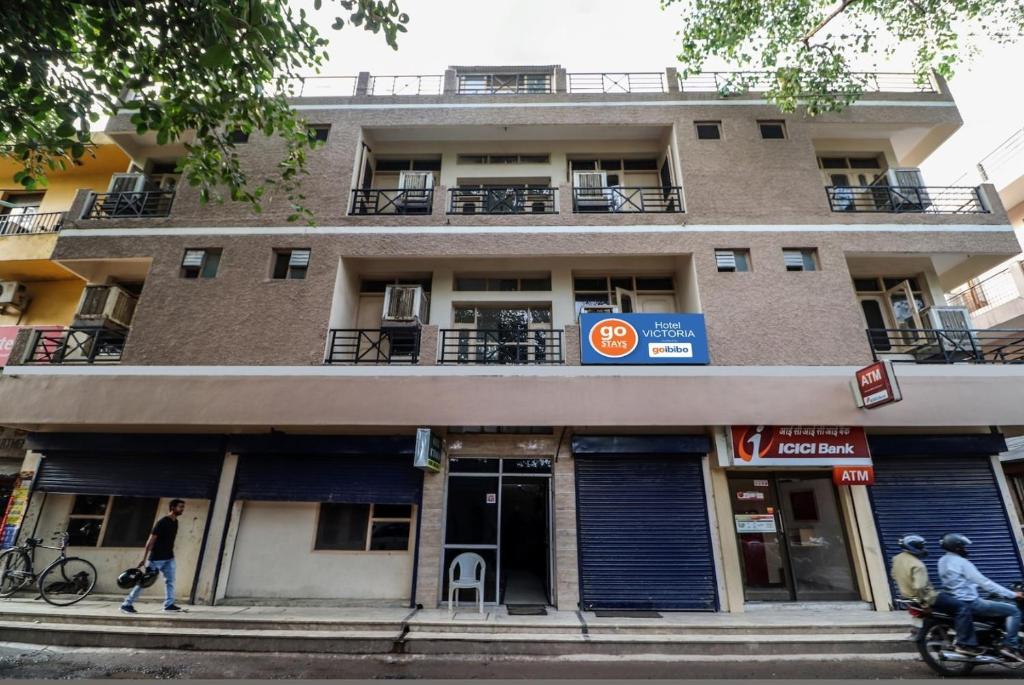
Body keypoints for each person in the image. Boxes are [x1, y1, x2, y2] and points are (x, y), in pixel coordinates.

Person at [890, 534, 982, 656]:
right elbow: (920, 587)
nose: (923, 548)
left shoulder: (897, 559)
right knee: (962, 608)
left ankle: (939, 632)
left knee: (949, 602)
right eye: (921, 546)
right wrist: (925, 605)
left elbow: (893, 575)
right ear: (914, 547)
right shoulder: (918, 565)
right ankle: (965, 644)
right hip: (928, 597)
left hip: (908, 597)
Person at [937, 533, 1024, 661]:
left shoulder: (942, 561)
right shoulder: (962, 562)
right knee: (1014, 611)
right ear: (957, 548)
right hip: (971, 602)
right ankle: (1010, 646)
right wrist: (1012, 594)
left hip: (955, 599)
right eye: (963, 547)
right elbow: (984, 583)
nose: (965, 549)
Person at [120, 499, 186, 614]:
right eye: (180, 507)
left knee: (170, 581)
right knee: (144, 582)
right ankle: (126, 604)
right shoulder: (162, 522)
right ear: (173, 507)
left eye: (183, 507)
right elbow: (150, 541)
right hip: (156, 558)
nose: (182, 509)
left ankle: (169, 605)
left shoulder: (175, 522)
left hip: (169, 557)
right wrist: (144, 558)